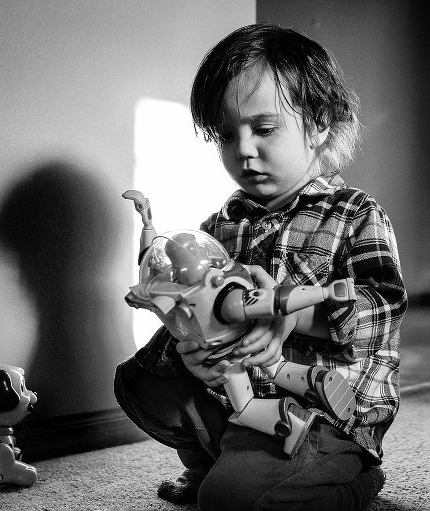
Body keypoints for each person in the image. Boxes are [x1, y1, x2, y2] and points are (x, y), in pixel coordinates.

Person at [114, 23, 407, 511]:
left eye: (264, 129)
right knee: (139, 382)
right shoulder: (221, 224)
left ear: (319, 124)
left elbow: (382, 310)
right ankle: (208, 460)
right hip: (237, 397)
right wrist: (190, 350)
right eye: (227, 134)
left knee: (231, 501)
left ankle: (355, 479)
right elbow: (197, 309)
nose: (243, 150)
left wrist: (292, 314)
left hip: (319, 413)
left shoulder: (355, 215)